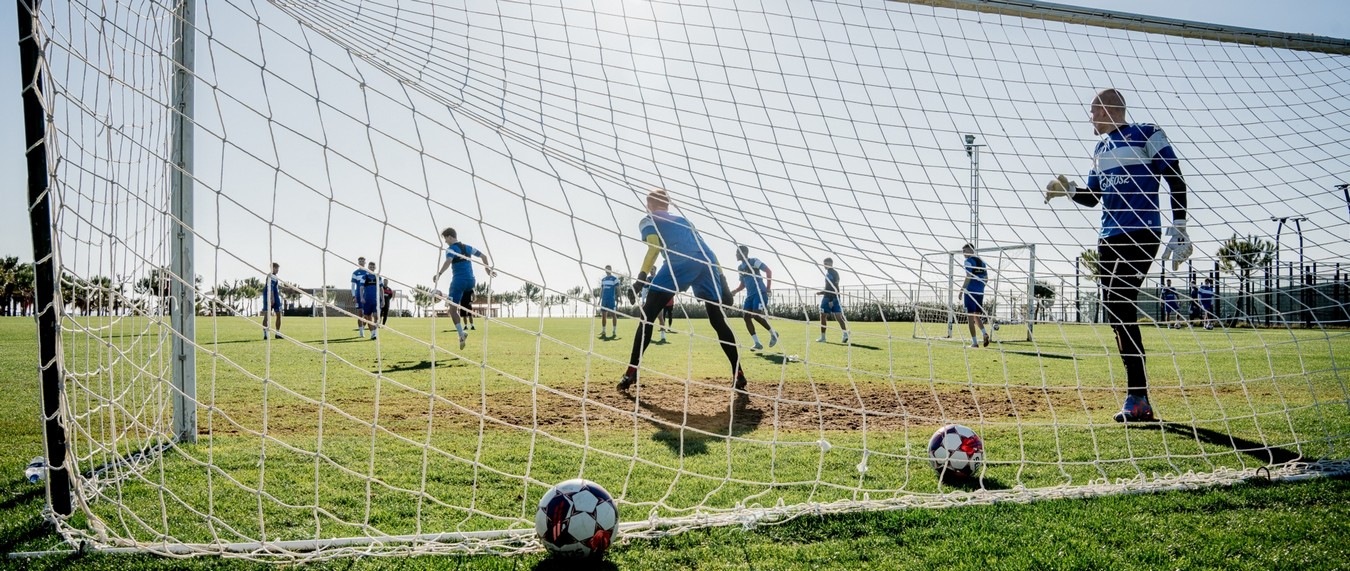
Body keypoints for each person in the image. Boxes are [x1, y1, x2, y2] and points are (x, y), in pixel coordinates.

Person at [1044, 88, 1190, 423]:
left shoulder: (1147, 133)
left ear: (1107, 109)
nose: (1090, 118)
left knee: (1122, 305)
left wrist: (1180, 226)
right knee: (1115, 310)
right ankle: (1137, 397)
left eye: (1092, 111)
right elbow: (1093, 197)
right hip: (1107, 238)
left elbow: (1174, 176)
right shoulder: (1100, 149)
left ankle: (1138, 398)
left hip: (1141, 233)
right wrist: (1069, 190)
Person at [618, 189, 744, 392]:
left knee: (647, 317)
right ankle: (738, 373)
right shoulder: (685, 221)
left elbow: (654, 247)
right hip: (706, 263)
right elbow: (710, 252)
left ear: (648, 205)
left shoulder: (648, 219)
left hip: (679, 261)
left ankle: (631, 372)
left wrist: (640, 280)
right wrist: (725, 285)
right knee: (718, 321)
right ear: (668, 204)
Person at [433, 227, 496, 349]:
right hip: (471, 282)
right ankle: (446, 297)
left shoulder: (451, 249)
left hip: (459, 282)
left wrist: (439, 274)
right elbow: (484, 256)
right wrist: (487, 270)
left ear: (450, 237)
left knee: (452, 310)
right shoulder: (467, 247)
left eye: (445, 239)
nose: (445, 242)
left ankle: (461, 334)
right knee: (458, 302)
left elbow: (448, 261)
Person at [728, 245, 778, 350]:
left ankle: (774, 334)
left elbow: (768, 271)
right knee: (746, 317)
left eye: (737, 252)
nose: (736, 254)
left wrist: (768, 288)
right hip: (750, 296)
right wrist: (735, 291)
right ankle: (757, 343)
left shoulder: (754, 261)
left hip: (760, 293)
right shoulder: (740, 268)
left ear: (744, 253)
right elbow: (743, 284)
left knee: (755, 315)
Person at [960, 243, 990, 348]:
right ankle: (984, 333)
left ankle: (974, 343)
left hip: (970, 292)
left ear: (971, 250)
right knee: (976, 316)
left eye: (965, 251)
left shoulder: (968, 261)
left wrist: (962, 290)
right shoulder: (982, 262)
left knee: (970, 318)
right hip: (980, 292)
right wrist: (980, 287)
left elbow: (968, 276)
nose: (963, 253)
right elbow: (986, 278)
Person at [816, 257, 849, 343]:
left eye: (826, 263)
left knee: (822, 316)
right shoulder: (836, 273)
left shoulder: (829, 274)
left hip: (828, 298)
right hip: (836, 297)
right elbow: (835, 287)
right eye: (824, 264)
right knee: (839, 317)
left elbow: (830, 287)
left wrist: (830, 299)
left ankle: (823, 338)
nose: (824, 265)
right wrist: (822, 292)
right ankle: (845, 334)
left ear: (831, 264)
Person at [262, 262, 284, 339]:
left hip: (273, 296)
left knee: (277, 314)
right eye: (276, 268)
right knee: (268, 315)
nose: (278, 270)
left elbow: (276, 286)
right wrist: (272, 298)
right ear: (273, 268)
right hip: (271, 297)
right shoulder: (271, 276)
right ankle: (266, 334)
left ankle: (276, 333)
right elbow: (270, 287)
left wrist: (286, 288)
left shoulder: (274, 276)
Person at [361, 261, 382, 340]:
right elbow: (361, 288)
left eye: (373, 267)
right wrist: (362, 297)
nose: (372, 268)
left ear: (375, 268)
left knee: (376, 316)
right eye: (370, 267)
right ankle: (373, 333)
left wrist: (383, 300)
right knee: (368, 317)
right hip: (367, 300)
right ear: (368, 267)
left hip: (376, 300)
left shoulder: (378, 277)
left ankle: (375, 333)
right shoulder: (364, 277)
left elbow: (381, 289)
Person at [598, 265, 621, 338]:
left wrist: (620, 298)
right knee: (603, 315)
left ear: (611, 270)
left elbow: (618, 289)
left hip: (611, 300)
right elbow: (602, 290)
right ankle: (603, 331)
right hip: (604, 300)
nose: (608, 270)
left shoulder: (614, 279)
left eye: (609, 269)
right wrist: (599, 300)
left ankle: (614, 331)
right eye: (606, 269)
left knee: (613, 315)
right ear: (605, 270)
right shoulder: (603, 279)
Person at [352, 256, 369, 337]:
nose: (361, 262)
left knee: (368, 315)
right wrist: (353, 296)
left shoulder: (368, 272)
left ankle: (363, 327)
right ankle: (361, 333)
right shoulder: (355, 273)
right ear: (358, 262)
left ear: (365, 262)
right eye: (360, 261)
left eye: (363, 261)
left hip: (368, 295)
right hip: (358, 295)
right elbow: (353, 286)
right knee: (360, 314)